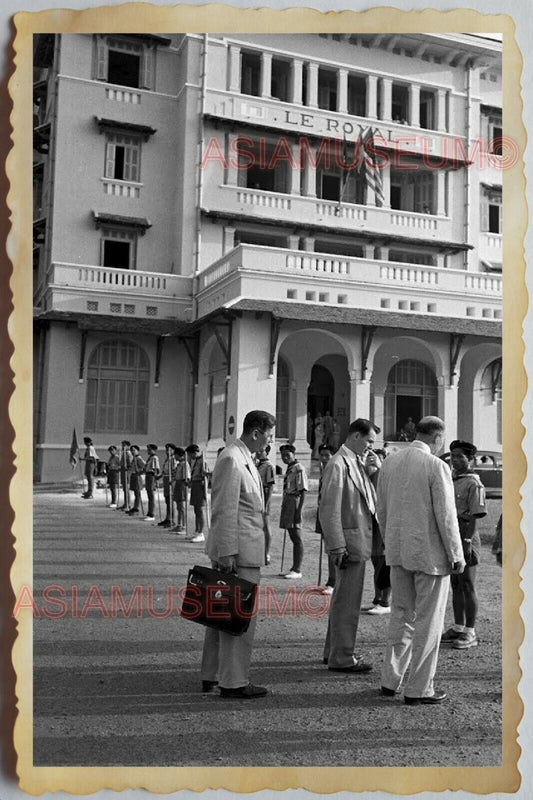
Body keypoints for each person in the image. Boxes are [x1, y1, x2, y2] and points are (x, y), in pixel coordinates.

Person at [377, 416, 465, 705]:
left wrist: (391, 541)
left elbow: (382, 510)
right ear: (438, 438)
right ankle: (419, 687)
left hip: (399, 551)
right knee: (428, 621)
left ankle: (390, 680)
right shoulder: (436, 466)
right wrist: (456, 554)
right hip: (429, 556)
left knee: (401, 616)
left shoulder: (390, 462)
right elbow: (446, 516)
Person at [200, 409, 276, 698]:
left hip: (239, 550)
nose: (269, 443)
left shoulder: (242, 457)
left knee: (219, 615)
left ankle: (213, 674)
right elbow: (223, 510)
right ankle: (233, 681)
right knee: (238, 619)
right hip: (238, 553)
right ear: (256, 432)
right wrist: (228, 552)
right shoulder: (233, 459)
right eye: (268, 436)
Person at [319, 418, 380, 673]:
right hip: (348, 544)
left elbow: (369, 501)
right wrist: (336, 546)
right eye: (369, 441)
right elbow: (329, 508)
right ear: (356, 436)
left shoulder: (355, 462)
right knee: (348, 603)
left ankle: (333, 651)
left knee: (344, 601)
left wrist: (373, 473)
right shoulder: (338, 464)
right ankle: (342, 657)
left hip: (357, 541)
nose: (370, 447)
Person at [441, 440, 487, 650]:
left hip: (466, 536)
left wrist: (467, 542)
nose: (455, 459)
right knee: (456, 584)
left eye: (460, 456)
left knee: (467, 584)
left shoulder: (473, 483)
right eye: (453, 455)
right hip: (452, 536)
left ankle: (470, 631)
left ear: (471, 460)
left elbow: (475, 516)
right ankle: (458, 626)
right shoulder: (452, 479)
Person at [362, 448, 391, 615]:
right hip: (371, 522)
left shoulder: (385, 476)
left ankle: (385, 601)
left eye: (377, 459)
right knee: (375, 562)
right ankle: (377, 598)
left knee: (383, 563)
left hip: (383, 523)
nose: (372, 462)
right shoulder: (369, 476)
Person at [279, 444, 308, 579]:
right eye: (283, 455)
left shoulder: (298, 469)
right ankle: (293, 567)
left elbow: (303, 492)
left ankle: (297, 569)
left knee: (296, 537)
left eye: (287, 455)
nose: (285, 458)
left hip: (295, 501)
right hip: (288, 501)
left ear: (293, 454)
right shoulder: (290, 468)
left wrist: (299, 511)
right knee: (292, 535)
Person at [315, 444, 336, 594]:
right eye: (321, 455)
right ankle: (331, 579)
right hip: (323, 513)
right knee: (328, 548)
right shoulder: (324, 471)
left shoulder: (335, 470)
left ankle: (333, 581)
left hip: (332, 515)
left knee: (333, 549)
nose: (324, 458)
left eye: (327, 455)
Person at [256, 444, 276, 564]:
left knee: (266, 526)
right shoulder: (257, 464)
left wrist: (266, 503)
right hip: (257, 496)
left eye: (261, 451)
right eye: (258, 450)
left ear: (266, 452)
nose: (259, 453)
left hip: (264, 496)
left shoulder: (269, 466)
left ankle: (266, 553)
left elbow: (270, 486)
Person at [186, 444, 208, 543]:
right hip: (195, 484)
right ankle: (196, 530)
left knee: (199, 510)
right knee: (195, 509)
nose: (190, 457)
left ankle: (201, 533)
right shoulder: (196, 460)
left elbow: (205, 474)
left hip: (200, 485)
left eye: (190, 455)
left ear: (194, 453)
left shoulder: (203, 460)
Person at [172, 446, 190, 533]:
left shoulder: (185, 464)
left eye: (175, 455)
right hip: (178, 483)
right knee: (178, 506)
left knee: (181, 507)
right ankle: (179, 524)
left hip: (182, 484)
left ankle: (183, 525)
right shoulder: (179, 464)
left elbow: (186, 477)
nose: (174, 457)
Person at [159, 443, 177, 528]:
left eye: (169, 449)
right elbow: (164, 471)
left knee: (170, 500)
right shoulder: (167, 459)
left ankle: (171, 520)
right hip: (166, 479)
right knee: (167, 500)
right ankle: (167, 518)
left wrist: (172, 479)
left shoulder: (173, 459)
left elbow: (175, 471)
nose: (167, 451)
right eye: (166, 449)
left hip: (171, 480)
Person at [143, 444, 161, 522]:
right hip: (148, 475)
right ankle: (149, 512)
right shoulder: (150, 458)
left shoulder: (154, 458)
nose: (148, 451)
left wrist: (155, 479)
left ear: (154, 450)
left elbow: (156, 469)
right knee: (149, 495)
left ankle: (151, 514)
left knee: (151, 496)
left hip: (151, 476)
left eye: (149, 449)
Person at [127, 445, 145, 516]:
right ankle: (135, 507)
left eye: (134, 450)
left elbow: (144, 466)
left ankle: (137, 508)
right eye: (131, 450)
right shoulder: (133, 459)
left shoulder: (138, 458)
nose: (132, 452)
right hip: (133, 475)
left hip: (137, 476)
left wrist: (140, 472)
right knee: (135, 492)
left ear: (138, 450)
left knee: (137, 493)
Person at [118, 440, 133, 511]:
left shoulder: (128, 453)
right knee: (124, 489)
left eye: (124, 445)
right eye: (122, 445)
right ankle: (125, 503)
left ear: (127, 446)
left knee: (127, 488)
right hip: (123, 471)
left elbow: (130, 463)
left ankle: (128, 504)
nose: (122, 446)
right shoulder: (123, 453)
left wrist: (127, 467)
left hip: (127, 472)